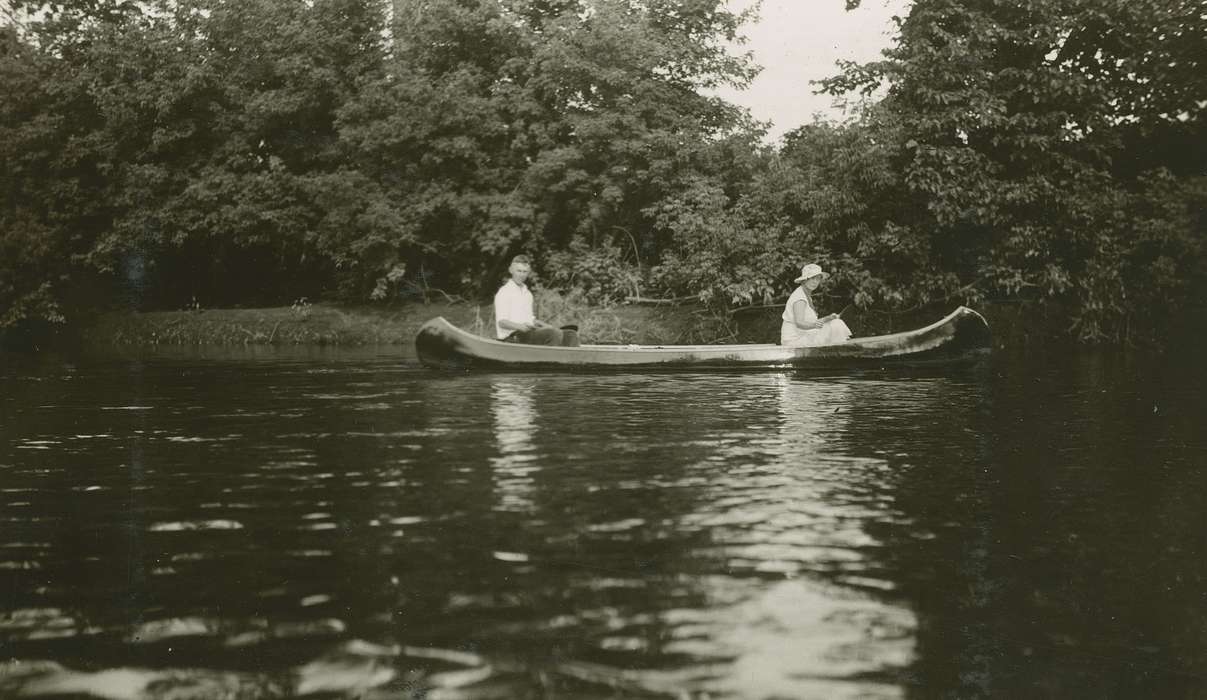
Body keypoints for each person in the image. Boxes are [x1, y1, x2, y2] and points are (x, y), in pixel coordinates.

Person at [493, 255, 566, 346]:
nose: (521, 275)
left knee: (569, 334)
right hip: (512, 337)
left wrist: (546, 325)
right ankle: (549, 359)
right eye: (518, 271)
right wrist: (520, 327)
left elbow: (530, 319)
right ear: (511, 270)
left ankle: (570, 360)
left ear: (528, 273)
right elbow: (502, 322)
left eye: (525, 272)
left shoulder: (527, 294)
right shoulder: (504, 292)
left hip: (527, 334)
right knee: (552, 334)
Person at [780, 263, 853, 347]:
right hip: (794, 342)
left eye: (818, 279)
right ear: (804, 280)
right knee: (836, 324)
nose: (815, 282)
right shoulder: (799, 298)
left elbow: (812, 322)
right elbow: (799, 322)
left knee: (834, 322)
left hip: (805, 336)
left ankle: (841, 350)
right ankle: (841, 351)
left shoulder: (806, 295)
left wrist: (828, 318)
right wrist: (815, 325)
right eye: (812, 278)